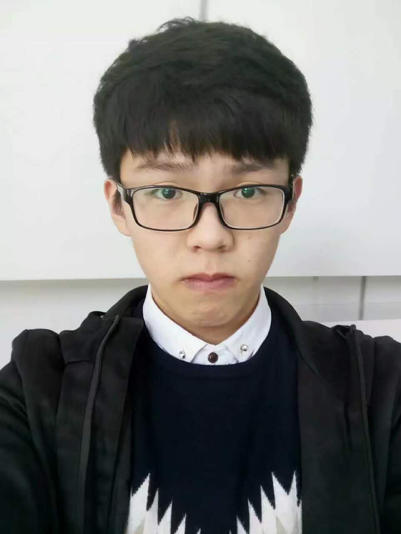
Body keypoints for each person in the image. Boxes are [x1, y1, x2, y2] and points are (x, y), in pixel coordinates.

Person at [0, 17, 400, 534]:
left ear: (290, 202)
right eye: (166, 192)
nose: (210, 236)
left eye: (249, 190)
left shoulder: (380, 390)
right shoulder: (37, 394)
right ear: (119, 207)